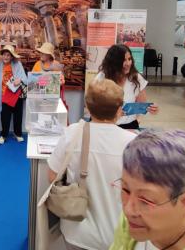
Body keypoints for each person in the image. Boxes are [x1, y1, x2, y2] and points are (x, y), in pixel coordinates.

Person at [48, 78, 136, 249]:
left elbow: (52, 176)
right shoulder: (132, 143)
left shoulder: (72, 134)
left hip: (76, 232)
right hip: (116, 235)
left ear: (87, 106)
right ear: (119, 110)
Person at [96, 44, 158, 129]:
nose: (128, 63)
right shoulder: (101, 78)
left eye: (129, 59)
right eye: (123, 60)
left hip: (129, 126)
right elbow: (93, 106)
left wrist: (152, 109)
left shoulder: (136, 78)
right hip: (105, 126)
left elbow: (142, 105)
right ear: (114, 62)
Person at [0, 45, 28, 144]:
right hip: (4, 94)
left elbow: (24, 78)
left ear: (11, 56)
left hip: (17, 94)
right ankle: (3, 135)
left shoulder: (18, 64)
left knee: (18, 115)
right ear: (1, 55)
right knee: (4, 116)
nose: (6, 57)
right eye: (4, 55)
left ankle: (18, 134)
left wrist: (19, 80)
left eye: (8, 55)